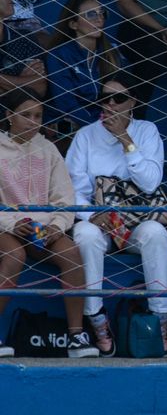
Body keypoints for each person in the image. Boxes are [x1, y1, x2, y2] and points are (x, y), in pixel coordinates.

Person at [66, 75, 167, 357]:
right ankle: (97, 318)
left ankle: (161, 318)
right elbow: (74, 189)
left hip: (136, 221)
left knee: (156, 233)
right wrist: (90, 214)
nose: (111, 104)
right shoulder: (85, 136)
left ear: (133, 102)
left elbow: (151, 182)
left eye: (119, 98)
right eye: (106, 98)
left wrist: (126, 141)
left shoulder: (147, 131)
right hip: (101, 222)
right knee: (84, 234)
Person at [0, 90, 97, 358]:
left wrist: (58, 225)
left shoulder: (48, 148)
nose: (33, 121)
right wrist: (10, 223)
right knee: (14, 255)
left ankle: (76, 337)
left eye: (38, 116)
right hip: (4, 226)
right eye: (26, 115)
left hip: (42, 227)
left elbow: (64, 197)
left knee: (72, 254)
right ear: (9, 115)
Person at [45, 0, 123, 138]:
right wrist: (98, 127)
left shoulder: (110, 53)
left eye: (102, 13)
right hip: (67, 125)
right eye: (91, 14)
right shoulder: (59, 55)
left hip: (104, 123)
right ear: (73, 24)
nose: (99, 18)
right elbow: (66, 103)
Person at [0, 0, 45, 99]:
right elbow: (31, 87)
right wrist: (21, 82)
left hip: (21, 115)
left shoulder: (25, 38)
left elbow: (40, 88)